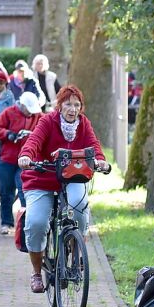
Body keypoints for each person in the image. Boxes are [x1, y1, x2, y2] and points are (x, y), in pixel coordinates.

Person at [17, 85, 108, 293]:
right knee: (37, 223)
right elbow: (34, 140)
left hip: (73, 176)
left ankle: (77, 252)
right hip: (43, 177)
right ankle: (36, 272)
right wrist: (26, 156)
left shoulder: (83, 124)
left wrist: (100, 161)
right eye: (68, 104)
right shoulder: (48, 121)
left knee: (80, 207)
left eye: (77, 105)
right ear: (59, 105)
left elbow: (93, 146)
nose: (73, 109)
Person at [0, 91, 43, 235]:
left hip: (26, 161)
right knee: (6, 192)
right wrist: (8, 134)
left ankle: (27, 223)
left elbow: (47, 128)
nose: (30, 114)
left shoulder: (38, 116)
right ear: (22, 105)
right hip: (6, 159)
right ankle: (6, 223)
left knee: (24, 189)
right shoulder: (9, 113)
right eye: (28, 110)